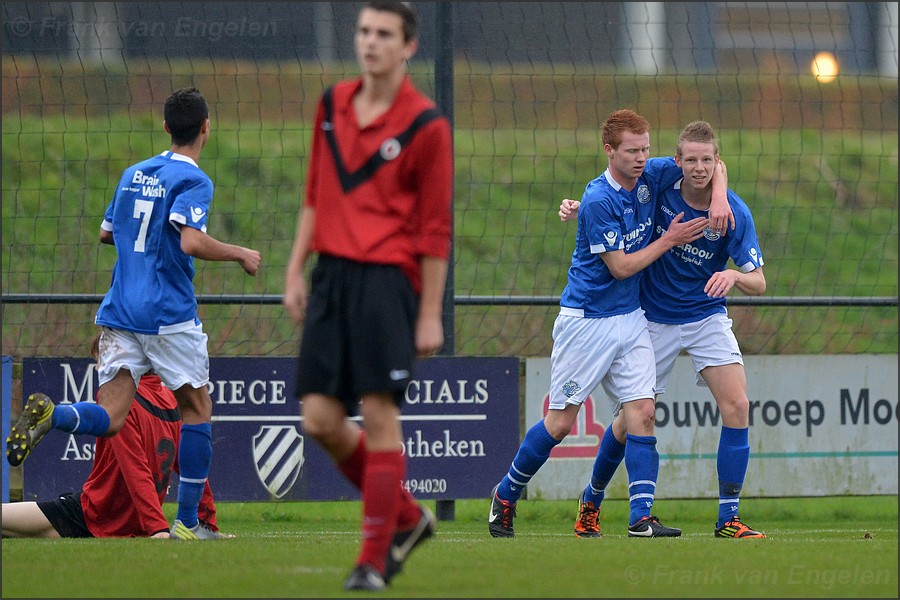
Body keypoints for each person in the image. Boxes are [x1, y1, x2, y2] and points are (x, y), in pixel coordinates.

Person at [5, 87, 260, 541]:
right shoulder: (195, 180)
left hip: (120, 310)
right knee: (197, 409)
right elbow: (190, 241)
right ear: (206, 128)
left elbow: (107, 234)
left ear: (165, 127)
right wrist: (240, 252)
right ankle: (189, 524)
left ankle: (56, 415)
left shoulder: (132, 174)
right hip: (167, 314)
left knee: (114, 415)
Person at [489, 109, 725, 540]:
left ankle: (641, 517)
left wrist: (722, 197)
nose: (642, 158)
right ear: (609, 151)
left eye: (646, 149)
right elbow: (620, 267)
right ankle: (506, 493)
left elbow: (710, 162)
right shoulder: (598, 200)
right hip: (587, 323)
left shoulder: (651, 174)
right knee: (560, 424)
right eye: (632, 151)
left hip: (631, 319)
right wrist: (668, 239)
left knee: (643, 412)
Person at [282, 2, 452, 591]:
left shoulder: (427, 126)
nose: (369, 42)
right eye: (363, 32)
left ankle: (371, 563)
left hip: (387, 283)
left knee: (380, 415)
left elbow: (435, 231)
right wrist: (296, 269)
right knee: (319, 419)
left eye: (383, 34)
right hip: (331, 276)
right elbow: (313, 193)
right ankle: (407, 518)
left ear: (408, 47)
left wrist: (430, 314)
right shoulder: (330, 106)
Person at [559, 121, 767, 539]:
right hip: (653, 317)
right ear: (677, 162)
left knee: (738, 405)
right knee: (632, 418)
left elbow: (759, 281)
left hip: (706, 315)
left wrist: (734, 276)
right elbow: (614, 193)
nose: (699, 168)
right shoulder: (656, 181)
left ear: (717, 162)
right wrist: (581, 208)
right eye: (690, 159)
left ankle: (728, 518)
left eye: (707, 160)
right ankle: (592, 501)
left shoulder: (734, 213)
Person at [3, 336, 222, 539]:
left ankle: (57, 415)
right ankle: (57, 415)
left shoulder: (120, 403)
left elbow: (135, 469)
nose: (99, 368)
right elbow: (190, 467)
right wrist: (207, 523)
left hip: (96, 513)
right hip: (116, 520)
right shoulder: (170, 398)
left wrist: (158, 528)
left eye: (101, 361)